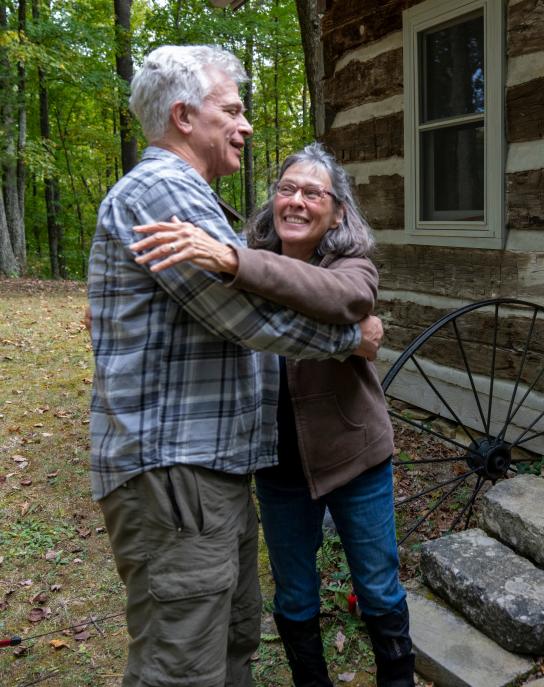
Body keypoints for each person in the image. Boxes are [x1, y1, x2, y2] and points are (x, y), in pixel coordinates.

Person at [88, 46, 383, 687]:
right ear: (184, 115)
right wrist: (353, 339)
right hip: (175, 468)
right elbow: (247, 317)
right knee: (184, 662)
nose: (246, 125)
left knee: (230, 636)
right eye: (234, 109)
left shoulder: (192, 197)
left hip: (206, 471)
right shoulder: (165, 190)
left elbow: (260, 295)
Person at [129, 143, 414, 687]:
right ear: (272, 201)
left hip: (356, 455)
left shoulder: (349, 265)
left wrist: (236, 261)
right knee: (295, 593)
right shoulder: (242, 261)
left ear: (337, 212)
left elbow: (344, 300)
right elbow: (189, 299)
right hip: (276, 464)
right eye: (287, 189)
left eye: (313, 193)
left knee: (377, 585)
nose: (297, 202)